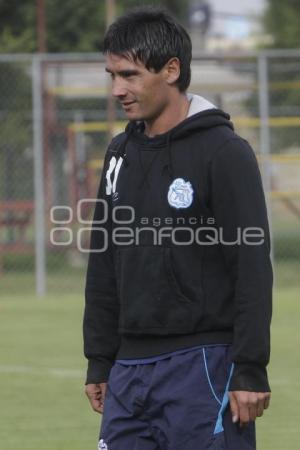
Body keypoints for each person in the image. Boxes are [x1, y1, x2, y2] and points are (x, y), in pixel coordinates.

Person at [83, 6, 273, 450]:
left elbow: (251, 265)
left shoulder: (224, 152)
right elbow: (104, 260)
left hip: (203, 365)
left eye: (129, 75)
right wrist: (100, 359)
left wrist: (249, 367)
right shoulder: (118, 154)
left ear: (171, 70)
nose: (117, 89)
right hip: (128, 371)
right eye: (111, 75)